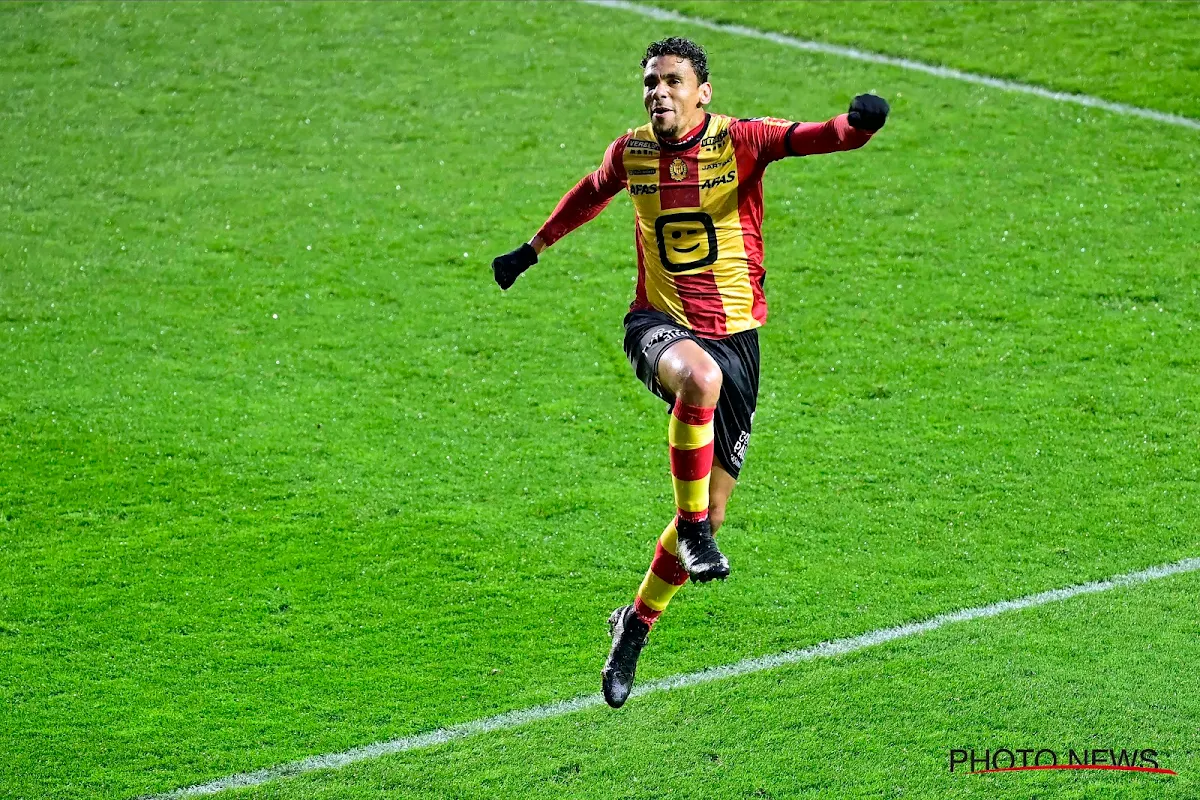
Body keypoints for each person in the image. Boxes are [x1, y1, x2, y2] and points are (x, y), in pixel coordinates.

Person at [491, 37, 888, 708]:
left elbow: (823, 138)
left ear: (703, 91)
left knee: (714, 502)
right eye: (650, 82)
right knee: (697, 388)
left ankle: (635, 625)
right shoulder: (633, 152)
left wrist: (861, 124)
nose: (658, 92)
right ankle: (694, 527)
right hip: (658, 326)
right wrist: (531, 250)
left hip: (739, 344)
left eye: (673, 80)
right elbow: (591, 192)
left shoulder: (743, 142)